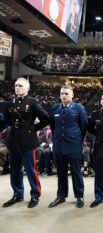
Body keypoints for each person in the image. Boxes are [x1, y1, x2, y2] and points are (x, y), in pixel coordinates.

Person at [3, 77, 50, 208]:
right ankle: (17, 194)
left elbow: (46, 119)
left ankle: (35, 195)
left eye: (21, 86)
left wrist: (32, 128)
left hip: (28, 141)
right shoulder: (10, 103)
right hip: (13, 140)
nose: (17, 88)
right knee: (15, 170)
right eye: (16, 85)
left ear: (27, 89)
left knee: (31, 170)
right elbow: (7, 120)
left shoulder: (33, 103)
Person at [49, 85, 88, 208]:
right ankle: (61, 196)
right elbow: (53, 126)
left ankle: (79, 196)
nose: (64, 96)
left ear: (72, 95)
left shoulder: (79, 108)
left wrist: (77, 141)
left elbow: (84, 126)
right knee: (61, 173)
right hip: (59, 146)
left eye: (66, 93)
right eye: (62, 93)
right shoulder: (55, 108)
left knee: (76, 172)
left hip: (73, 146)